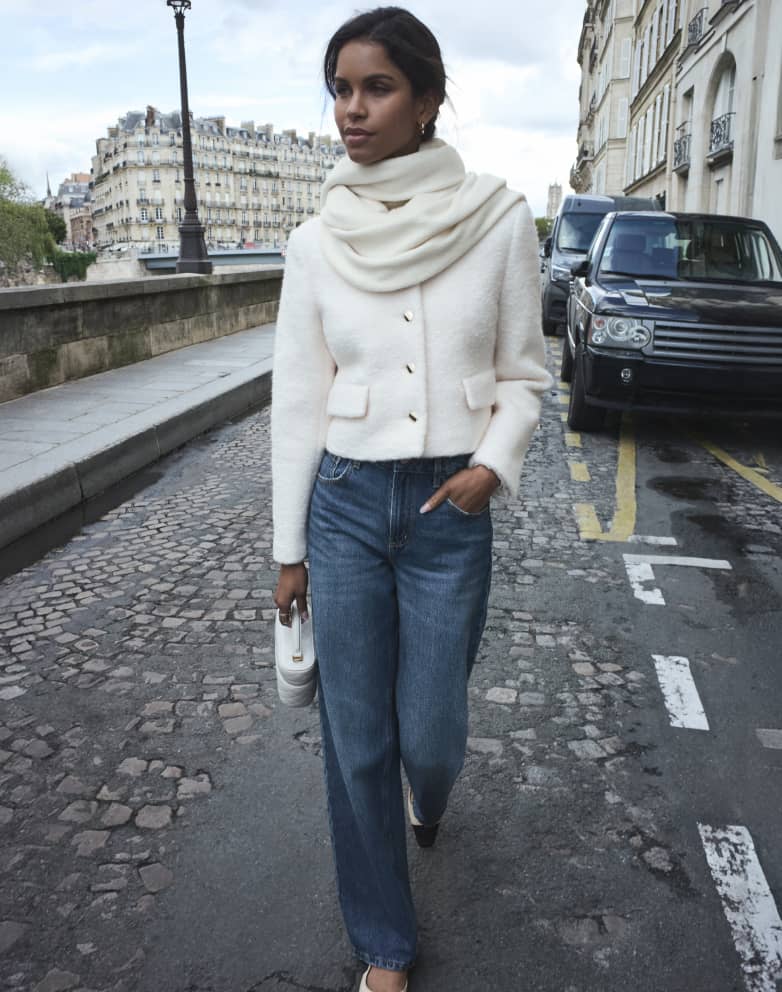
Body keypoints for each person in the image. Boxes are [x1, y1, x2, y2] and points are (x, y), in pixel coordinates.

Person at [271, 8, 551, 991]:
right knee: (355, 742)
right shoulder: (314, 240)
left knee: (428, 737)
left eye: (376, 87)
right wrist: (287, 547)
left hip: (447, 508)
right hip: (345, 501)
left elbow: (524, 372)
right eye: (340, 88)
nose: (352, 109)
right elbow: (295, 400)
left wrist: (490, 463)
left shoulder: (497, 216)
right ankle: (383, 943)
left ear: (427, 100)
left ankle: (429, 801)